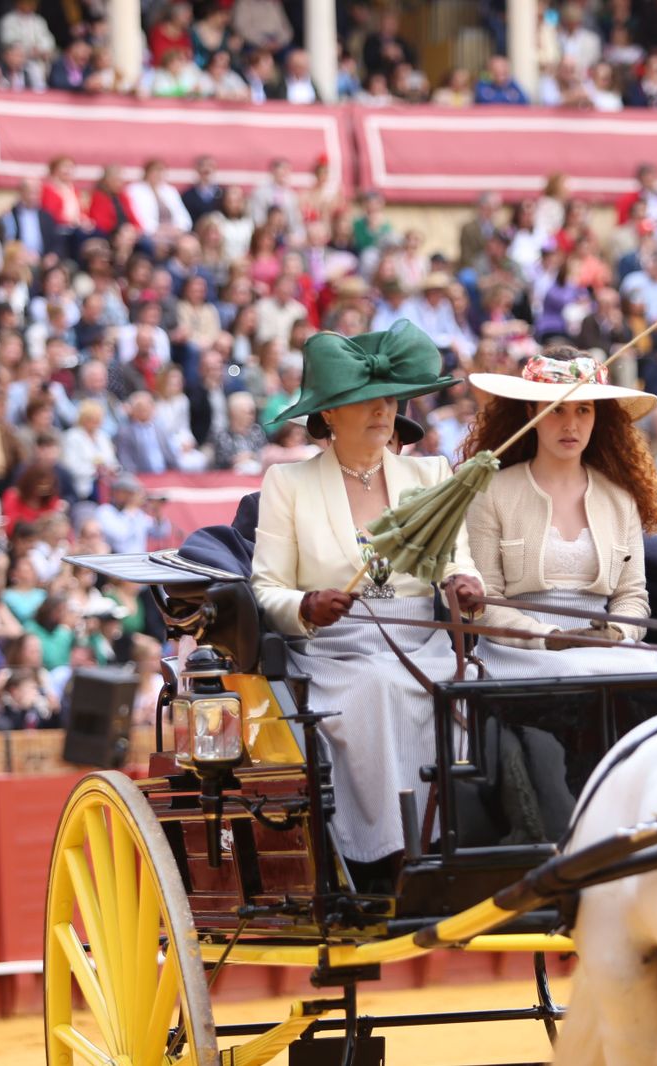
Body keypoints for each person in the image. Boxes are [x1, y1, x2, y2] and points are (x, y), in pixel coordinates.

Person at [251, 321, 484, 879]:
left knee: (480, 681)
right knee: (378, 684)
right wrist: (306, 607)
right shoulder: (288, 484)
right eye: (365, 401)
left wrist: (465, 587)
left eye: (388, 400)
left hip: (423, 642)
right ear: (329, 413)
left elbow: (457, 558)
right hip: (335, 651)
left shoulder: (429, 471)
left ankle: (467, 841)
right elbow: (266, 588)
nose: (383, 410)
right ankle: (388, 854)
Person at [462, 349, 657, 675]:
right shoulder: (491, 492)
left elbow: (632, 597)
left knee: (646, 669)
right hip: (517, 652)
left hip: (606, 651)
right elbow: (486, 604)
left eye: (583, 409)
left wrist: (617, 633)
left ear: (596, 416)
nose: (570, 424)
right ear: (532, 412)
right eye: (556, 409)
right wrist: (551, 637)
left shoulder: (619, 499)